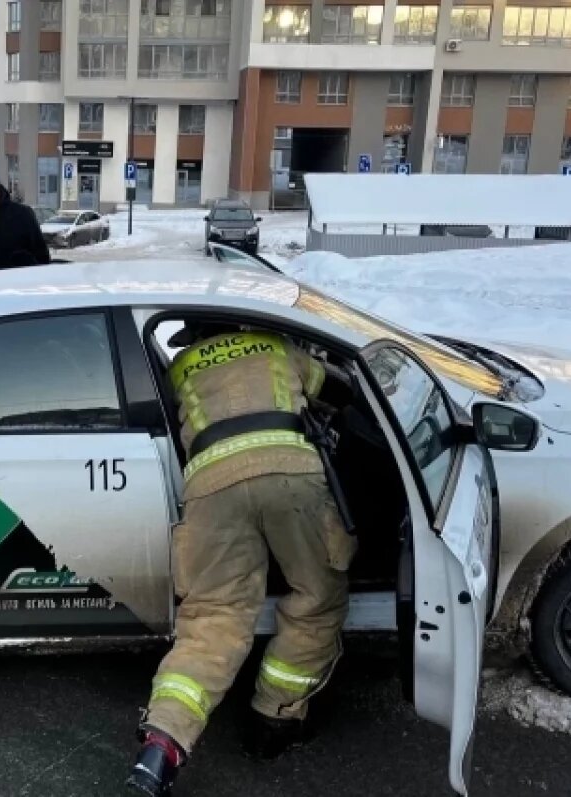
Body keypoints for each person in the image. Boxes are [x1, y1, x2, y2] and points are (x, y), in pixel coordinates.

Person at [126, 321, 357, 797]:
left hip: (211, 486)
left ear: (195, 334)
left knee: (213, 617)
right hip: (292, 476)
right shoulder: (277, 345)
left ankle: (163, 743)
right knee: (316, 597)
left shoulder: (182, 367)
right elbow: (338, 390)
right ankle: (274, 719)